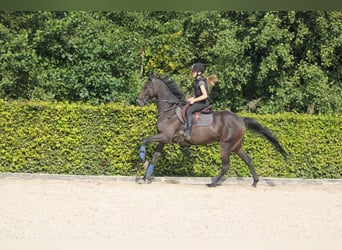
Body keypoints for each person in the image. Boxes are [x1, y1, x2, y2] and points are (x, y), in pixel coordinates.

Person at [184, 63, 211, 140]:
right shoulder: (197, 81)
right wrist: (190, 99)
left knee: (189, 110)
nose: (192, 73)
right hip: (200, 101)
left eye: (193, 71)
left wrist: (194, 100)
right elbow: (198, 95)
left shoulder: (201, 82)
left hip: (204, 102)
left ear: (199, 72)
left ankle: (188, 132)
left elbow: (205, 95)